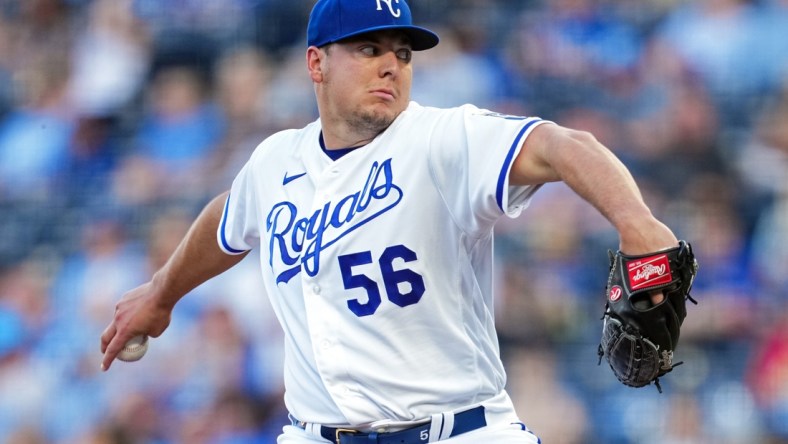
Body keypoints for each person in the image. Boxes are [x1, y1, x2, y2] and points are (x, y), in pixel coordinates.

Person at [100, 0, 680, 442]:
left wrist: (638, 225)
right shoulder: (275, 161)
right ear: (316, 63)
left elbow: (560, 145)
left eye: (402, 52)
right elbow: (230, 216)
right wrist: (162, 292)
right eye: (368, 48)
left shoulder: (441, 139)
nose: (390, 66)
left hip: (459, 428)